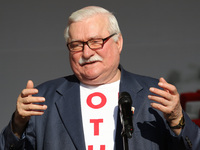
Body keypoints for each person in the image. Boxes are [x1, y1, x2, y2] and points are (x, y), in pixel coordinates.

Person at [0, 6, 199, 150]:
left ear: (118, 42)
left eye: (96, 42)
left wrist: (177, 121)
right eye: (77, 44)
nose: (87, 53)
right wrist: (17, 126)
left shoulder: (153, 94)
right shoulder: (43, 99)